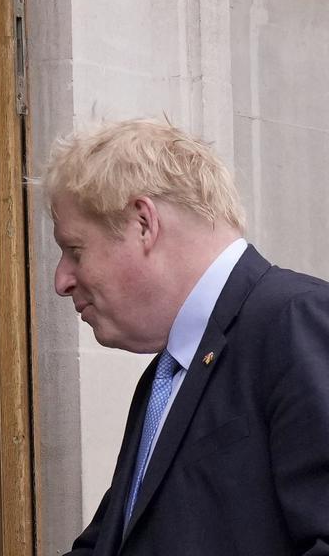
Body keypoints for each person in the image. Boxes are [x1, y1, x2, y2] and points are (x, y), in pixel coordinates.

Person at [44, 119, 329, 555]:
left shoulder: (297, 320)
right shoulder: (167, 374)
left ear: (143, 222)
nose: (62, 280)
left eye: (75, 250)